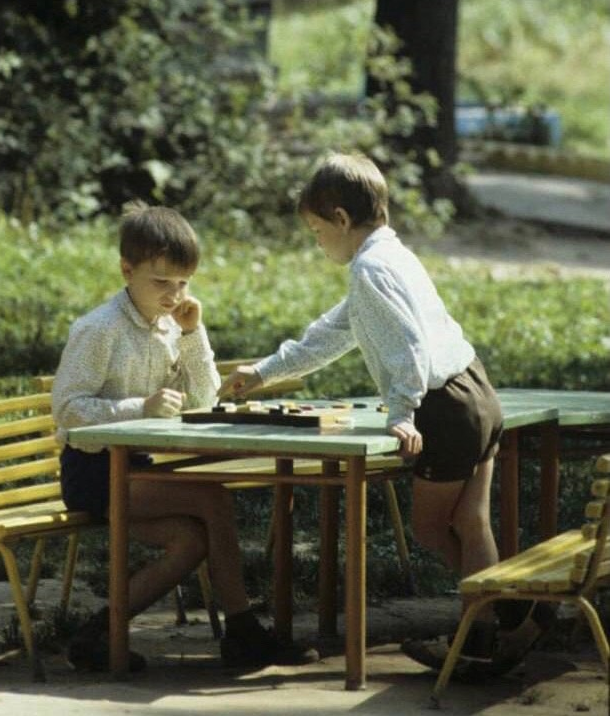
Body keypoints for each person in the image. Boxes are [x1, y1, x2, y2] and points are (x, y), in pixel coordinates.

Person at [219, 153, 551, 674]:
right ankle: (504, 626)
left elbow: (408, 345)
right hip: (478, 389)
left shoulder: (371, 269)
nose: (316, 241)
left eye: (316, 229)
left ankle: (495, 624)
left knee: (429, 526)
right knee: (470, 521)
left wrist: (402, 410)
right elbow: (334, 332)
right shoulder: (392, 256)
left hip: (444, 407)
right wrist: (263, 372)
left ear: (341, 219)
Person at [52, 201, 317, 672]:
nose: (174, 295)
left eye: (183, 283)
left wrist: (193, 334)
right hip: (93, 473)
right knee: (213, 500)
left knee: (191, 539)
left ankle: (98, 634)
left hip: (138, 471)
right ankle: (243, 634)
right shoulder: (99, 329)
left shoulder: (170, 325)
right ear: (126, 270)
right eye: (161, 282)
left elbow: (204, 399)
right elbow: (69, 413)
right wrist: (140, 408)